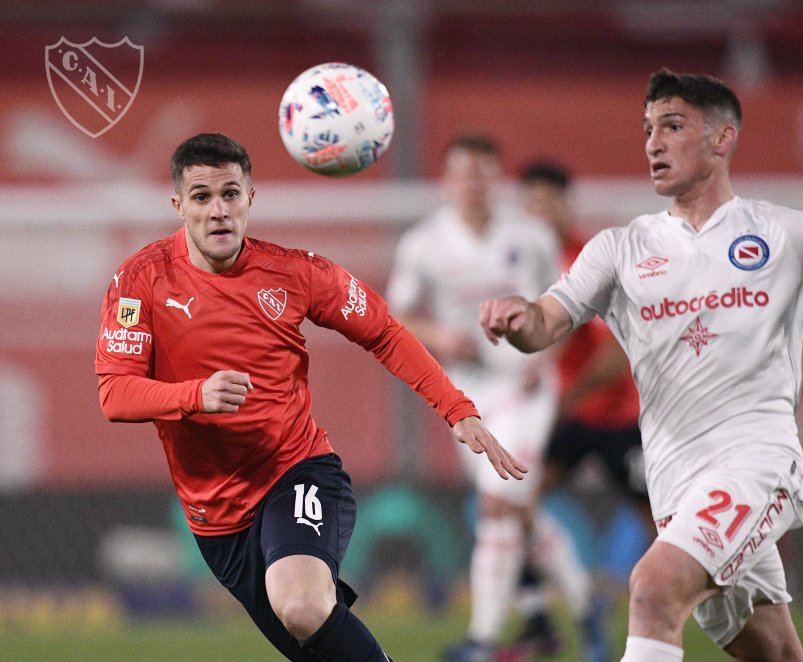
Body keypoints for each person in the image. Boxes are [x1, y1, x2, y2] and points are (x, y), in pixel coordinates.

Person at [479, 70, 803, 662]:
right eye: (648, 129)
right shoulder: (620, 249)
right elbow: (546, 321)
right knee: (776, 656)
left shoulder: (781, 234)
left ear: (722, 139)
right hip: (676, 484)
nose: (653, 142)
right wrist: (514, 318)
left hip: (758, 465)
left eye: (673, 127)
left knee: (652, 589)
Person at [94, 132, 526, 662]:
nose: (218, 211)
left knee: (300, 606)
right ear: (178, 205)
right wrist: (195, 394)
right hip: (215, 517)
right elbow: (114, 393)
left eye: (230, 193)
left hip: (295, 471)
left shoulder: (296, 272)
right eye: (202, 197)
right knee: (314, 645)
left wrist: (456, 409)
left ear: (251, 198)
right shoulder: (140, 280)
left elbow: (384, 331)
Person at [386, 135, 601, 662]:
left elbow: (567, 304)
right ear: (447, 180)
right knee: (518, 512)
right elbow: (397, 315)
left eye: (484, 172)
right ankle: (585, 604)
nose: (474, 182)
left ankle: (482, 639)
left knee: (497, 504)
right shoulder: (423, 244)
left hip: (526, 389)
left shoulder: (529, 236)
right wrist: (440, 338)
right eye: (464, 172)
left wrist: (545, 360)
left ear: (497, 178)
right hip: (466, 395)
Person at [503, 162, 652, 660]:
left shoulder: (589, 258)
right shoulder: (523, 260)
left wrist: (563, 402)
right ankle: (541, 619)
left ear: (569, 205)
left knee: (666, 522)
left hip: (614, 417)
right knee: (515, 503)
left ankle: (697, 611)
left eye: (550, 202)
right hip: (562, 416)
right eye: (533, 203)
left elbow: (614, 356)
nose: (540, 212)